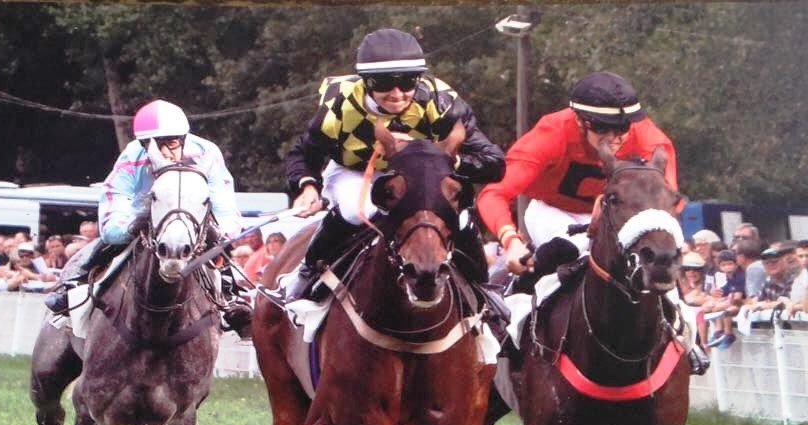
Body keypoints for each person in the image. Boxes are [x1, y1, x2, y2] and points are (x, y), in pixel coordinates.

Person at [283, 27, 506, 303]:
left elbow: (494, 164)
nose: (397, 93)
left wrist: (440, 157)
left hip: (423, 177)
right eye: (384, 83)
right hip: (355, 172)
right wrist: (307, 186)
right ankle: (308, 271)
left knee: (459, 217)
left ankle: (484, 289)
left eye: (408, 81)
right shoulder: (339, 105)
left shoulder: (442, 105)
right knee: (357, 209)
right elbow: (304, 153)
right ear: (366, 82)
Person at [46, 100, 248, 332]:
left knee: (219, 245)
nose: (163, 152)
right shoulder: (132, 155)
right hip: (144, 218)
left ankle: (232, 297)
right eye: (153, 145)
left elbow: (224, 203)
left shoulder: (207, 153)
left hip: (194, 223)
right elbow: (115, 198)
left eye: (171, 143)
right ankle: (75, 285)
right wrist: (125, 228)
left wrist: (223, 232)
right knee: (107, 242)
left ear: (184, 138)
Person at [477, 71, 678, 278]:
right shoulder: (552, 134)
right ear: (580, 121)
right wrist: (511, 240)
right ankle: (527, 291)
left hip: (615, 217)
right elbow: (493, 193)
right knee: (573, 250)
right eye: (602, 128)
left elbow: (670, 201)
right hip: (552, 212)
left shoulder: (650, 141)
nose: (613, 138)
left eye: (622, 128)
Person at [703, 249, 747, 349]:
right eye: (724, 265)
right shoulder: (725, 278)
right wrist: (716, 299)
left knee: (724, 309)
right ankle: (718, 332)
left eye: (730, 264)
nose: (727, 267)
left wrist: (723, 301)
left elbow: (737, 297)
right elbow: (723, 294)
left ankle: (728, 334)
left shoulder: (740, 277)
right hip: (730, 301)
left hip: (741, 303)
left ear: (736, 264)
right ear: (719, 267)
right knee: (709, 306)